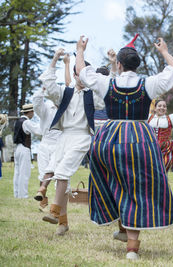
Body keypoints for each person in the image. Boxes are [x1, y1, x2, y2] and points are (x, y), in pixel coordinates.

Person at [77, 34, 173, 260]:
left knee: (112, 180)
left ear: (119, 65)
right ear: (138, 65)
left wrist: (80, 51)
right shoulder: (150, 83)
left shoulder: (107, 82)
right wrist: (164, 51)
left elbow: (82, 73)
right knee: (138, 188)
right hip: (139, 138)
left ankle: (122, 227)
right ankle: (132, 247)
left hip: (108, 138)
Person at [39, 48, 102, 235]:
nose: (82, 78)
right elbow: (48, 84)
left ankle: (54, 211)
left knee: (62, 172)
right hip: (64, 136)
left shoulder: (93, 96)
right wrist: (55, 58)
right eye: (79, 74)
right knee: (60, 176)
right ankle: (63, 223)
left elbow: (110, 93)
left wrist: (113, 67)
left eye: (86, 75)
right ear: (75, 75)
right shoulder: (65, 92)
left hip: (82, 137)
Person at [32, 86, 62, 212]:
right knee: (42, 172)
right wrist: (43, 90)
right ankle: (43, 200)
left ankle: (44, 190)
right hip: (45, 142)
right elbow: (37, 102)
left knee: (53, 169)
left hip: (60, 143)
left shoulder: (65, 106)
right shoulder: (46, 107)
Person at [148, 91, 173, 172]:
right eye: (159, 106)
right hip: (149, 148)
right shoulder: (148, 118)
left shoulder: (170, 118)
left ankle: (162, 183)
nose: (162, 108)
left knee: (162, 171)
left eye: (164, 106)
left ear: (166, 109)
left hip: (165, 149)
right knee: (149, 172)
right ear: (155, 109)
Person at [13, 104, 41, 198]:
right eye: (33, 112)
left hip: (17, 149)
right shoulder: (26, 122)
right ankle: (23, 195)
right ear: (30, 112)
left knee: (17, 172)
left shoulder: (18, 121)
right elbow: (38, 131)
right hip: (24, 149)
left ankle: (16, 193)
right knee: (24, 173)